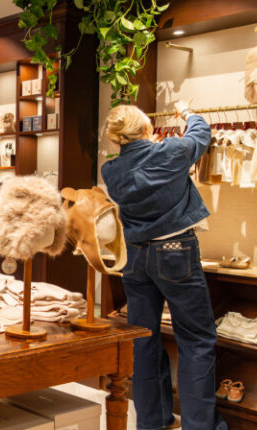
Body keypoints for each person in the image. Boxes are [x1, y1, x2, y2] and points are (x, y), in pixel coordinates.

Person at [101, 102, 226, 430]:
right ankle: (201, 426)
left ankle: (152, 422)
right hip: (175, 250)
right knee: (196, 338)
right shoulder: (171, 152)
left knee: (142, 337)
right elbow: (201, 133)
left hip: (134, 256)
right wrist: (187, 113)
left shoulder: (111, 171)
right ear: (146, 130)